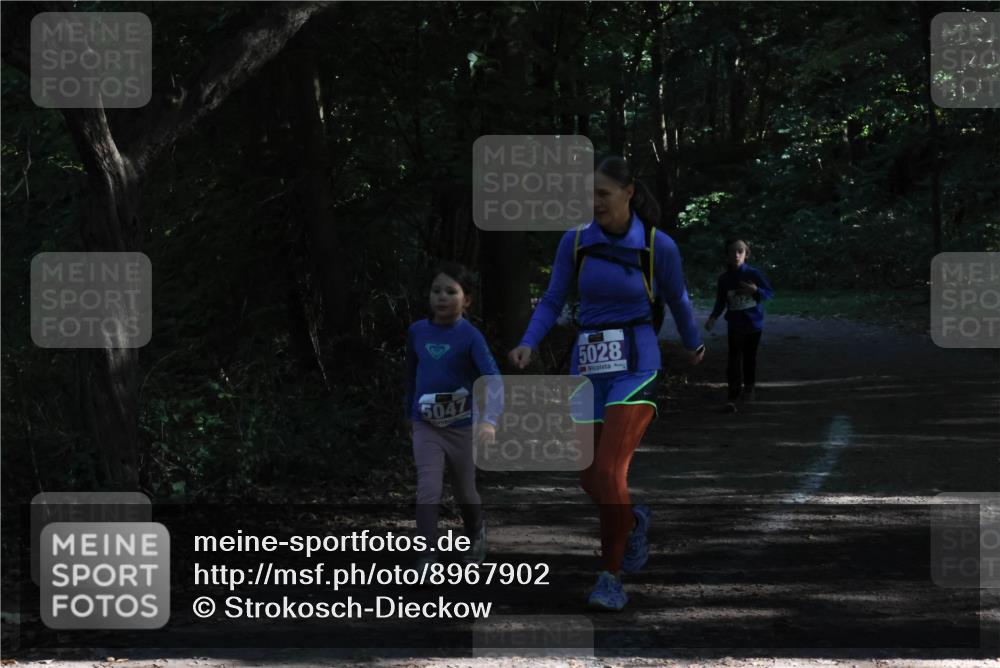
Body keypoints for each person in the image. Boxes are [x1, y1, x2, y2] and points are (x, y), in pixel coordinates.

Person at [508, 156, 705, 611]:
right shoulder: (574, 241)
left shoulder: (658, 246)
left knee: (610, 472)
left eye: (603, 193)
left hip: (637, 367)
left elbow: (677, 298)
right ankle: (633, 524)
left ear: (629, 192)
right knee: (587, 477)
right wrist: (528, 343)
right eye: (588, 195)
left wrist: (693, 344)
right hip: (587, 367)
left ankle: (609, 578)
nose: (594, 202)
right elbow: (554, 297)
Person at [404, 262, 502, 566]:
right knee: (428, 488)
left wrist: (489, 421)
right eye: (436, 291)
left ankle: (476, 531)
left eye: (451, 291)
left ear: (467, 300)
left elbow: (493, 381)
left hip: (462, 427)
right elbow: (411, 374)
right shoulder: (417, 331)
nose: (442, 297)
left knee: (464, 491)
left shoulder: (470, 337)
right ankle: (426, 556)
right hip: (426, 425)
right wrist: (409, 413)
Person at [705, 238, 774, 412]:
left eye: (740, 252)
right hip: (735, 324)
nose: (736, 255)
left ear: (746, 254)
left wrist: (756, 291)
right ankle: (733, 394)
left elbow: (769, 293)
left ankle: (749, 388)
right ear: (726, 255)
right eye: (732, 252)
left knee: (749, 358)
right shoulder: (725, 279)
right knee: (734, 358)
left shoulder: (753, 274)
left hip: (753, 324)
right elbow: (721, 301)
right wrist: (713, 317)